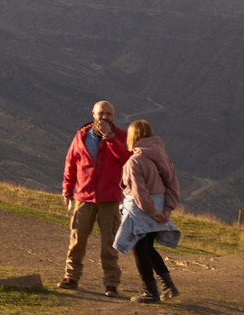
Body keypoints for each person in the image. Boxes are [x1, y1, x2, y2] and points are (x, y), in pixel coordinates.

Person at [60, 99, 132, 295]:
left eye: (108, 114)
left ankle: (111, 284)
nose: (104, 117)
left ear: (113, 116)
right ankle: (71, 278)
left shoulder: (122, 137)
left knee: (109, 244)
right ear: (93, 113)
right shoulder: (81, 136)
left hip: (109, 199)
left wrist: (110, 138)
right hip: (84, 197)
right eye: (101, 113)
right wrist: (67, 190)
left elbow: (127, 160)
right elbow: (71, 163)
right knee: (77, 240)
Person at [116, 120, 183, 303]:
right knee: (149, 248)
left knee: (140, 251)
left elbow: (138, 191)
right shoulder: (164, 158)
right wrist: (166, 210)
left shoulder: (134, 161)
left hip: (141, 211)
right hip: (161, 209)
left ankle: (150, 291)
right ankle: (168, 285)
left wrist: (151, 211)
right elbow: (173, 185)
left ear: (132, 137)